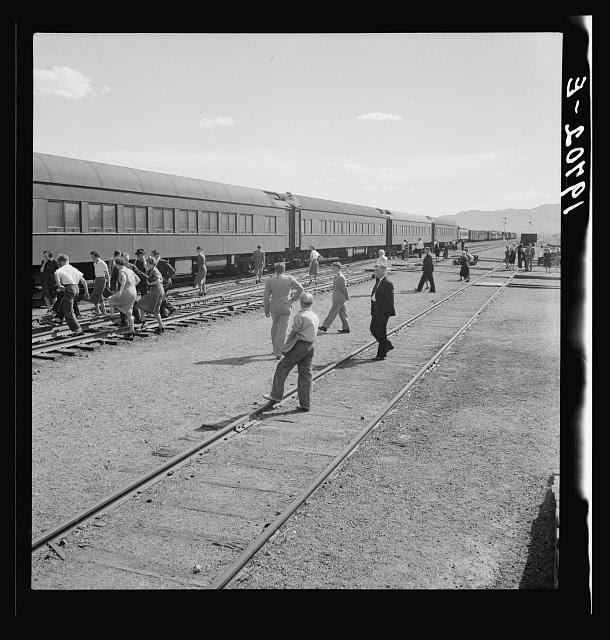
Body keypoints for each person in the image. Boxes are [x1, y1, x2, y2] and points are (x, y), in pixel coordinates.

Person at [262, 292, 319, 411]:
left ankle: (276, 395)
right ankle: (305, 403)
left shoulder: (300, 315)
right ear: (311, 303)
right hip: (310, 346)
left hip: (300, 345)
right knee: (305, 374)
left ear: (302, 302)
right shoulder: (314, 315)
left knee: (282, 367)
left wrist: (285, 346)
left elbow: (294, 332)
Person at [263, 262, 305, 358]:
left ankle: (275, 348)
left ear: (275, 270)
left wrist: (266, 309)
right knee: (283, 330)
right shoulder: (289, 278)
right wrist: (294, 298)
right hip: (286, 306)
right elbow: (300, 289)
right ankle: (279, 352)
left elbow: (266, 297)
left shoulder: (270, 280)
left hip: (274, 307)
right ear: (284, 269)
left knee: (275, 326)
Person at [53, 254, 90, 335]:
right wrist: (86, 292)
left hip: (69, 288)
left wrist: (59, 285)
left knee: (68, 311)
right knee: (63, 300)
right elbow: (84, 281)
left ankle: (77, 329)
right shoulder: (74, 269)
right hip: (76, 288)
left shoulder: (62, 268)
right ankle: (59, 318)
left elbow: (56, 273)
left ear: (61, 262)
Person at [106, 257, 140, 338]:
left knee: (110, 299)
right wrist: (132, 286)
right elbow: (138, 280)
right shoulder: (130, 270)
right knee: (129, 312)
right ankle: (132, 330)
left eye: (116, 265)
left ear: (119, 265)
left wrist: (120, 291)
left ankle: (112, 317)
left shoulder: (121, 270)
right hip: (133, 292)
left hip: (126, 291)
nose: (115, 266)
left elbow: (124, 279)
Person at [370, 264, 395, 361]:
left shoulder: (387, 283)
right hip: (376, 310)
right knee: (373, 329)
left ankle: (381, 355)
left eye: (378, 271)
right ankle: (387, 344)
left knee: (381, 332)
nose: (376, 273)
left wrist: (382, 311)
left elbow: (389, 300)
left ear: (384, 270)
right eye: (375, 271)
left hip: (383, 311)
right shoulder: (379, 281)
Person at [135, 256, 165, 334]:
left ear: (151, 263)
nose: (147, 265)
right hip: (159, 291)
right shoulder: (154, 269)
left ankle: (144, 322)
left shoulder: (154, 271)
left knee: (141, 304)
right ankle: (160, 326)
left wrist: (150, 284)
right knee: (154, 310)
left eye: (148, 263)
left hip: (156, 291)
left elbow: (158, 281)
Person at [318, 262, 350, 333]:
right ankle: (346, 328)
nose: (332, 270)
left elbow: (344, 288)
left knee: (333, 312)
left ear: (337, 268)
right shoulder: (338, 276)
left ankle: (325, 326)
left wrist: (347, 296)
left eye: (333, 268)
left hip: (339, 299)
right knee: (343, 314)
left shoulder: (340, 277)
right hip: (339, 298)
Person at [151, 250, 176, 316]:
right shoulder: (154, 263)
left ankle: (171, 308)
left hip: (165, 283)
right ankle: (163, 313)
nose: (151, 257)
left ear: (157, 255)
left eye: (152, 255)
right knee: (160, 297)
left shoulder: (163, 262)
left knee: (160, 297)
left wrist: (165, 278)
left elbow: (172, 271)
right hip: (159, 283)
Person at [89, 250, 110, 315]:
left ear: (97, 256)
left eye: (93, 257)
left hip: (102, 279)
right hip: (97, 279)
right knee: (100, 296)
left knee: (95, 296)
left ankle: (98, 311)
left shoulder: (102, 263)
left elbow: (107, 274)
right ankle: (104, 311)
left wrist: (108, 283)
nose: (92, 259)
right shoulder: (95, 263)